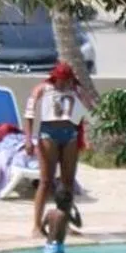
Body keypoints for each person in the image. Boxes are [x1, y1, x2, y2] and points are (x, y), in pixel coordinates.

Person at [24, 62, 89, 240]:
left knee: (68, 181)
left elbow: (83, 115)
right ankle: (36, 225)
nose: (63, 84)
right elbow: (29, 114)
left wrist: (85, 136)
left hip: (70, 134)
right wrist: (28, 139)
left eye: (66, 80)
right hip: (48, 134)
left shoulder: (75, 90)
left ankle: (64, 223)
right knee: (45, 181)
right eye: (60, 80)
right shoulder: (42, 89)